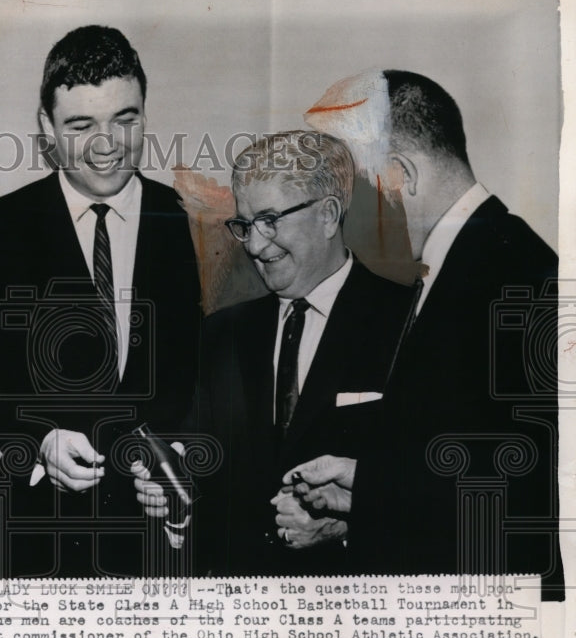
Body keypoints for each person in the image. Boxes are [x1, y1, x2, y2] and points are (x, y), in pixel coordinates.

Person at [0, 25, 201, 578]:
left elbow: (221, 389)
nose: (107, 144)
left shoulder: (198, 224)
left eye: (125, 119)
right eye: (82, 125)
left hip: (164, 563)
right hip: (33, 562)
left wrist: (184, 470)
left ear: (146, 115)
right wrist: (36, 445)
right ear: (46, 130)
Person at [297, 70, 561, 595]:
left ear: (401, 174)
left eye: (362, 187)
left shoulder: (517, 276)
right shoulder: (477, 260)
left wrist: (366, 483)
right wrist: (356, 496)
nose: (353, 213)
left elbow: (524, 481)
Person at [133, 131, 415, 576]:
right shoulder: (220, 334)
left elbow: (445, 492)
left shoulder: (410, 322)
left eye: (270, 220)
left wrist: (348, 526)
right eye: (245, 225)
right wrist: (175, 505)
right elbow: (199, 480)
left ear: (327, 215)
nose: (255, 246)